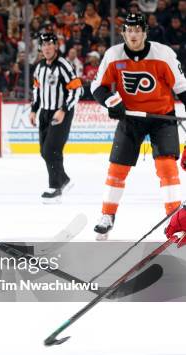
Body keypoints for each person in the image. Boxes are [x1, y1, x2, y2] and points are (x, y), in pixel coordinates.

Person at [90, 13, 186, 240]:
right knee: (117, 169)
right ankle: (107, 215)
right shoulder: (113, 55)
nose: (133, 35)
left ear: (145, 32)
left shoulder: (164, 54)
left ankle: (174, 217)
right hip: (130, 119)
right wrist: (111, 101)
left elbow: (182, 88)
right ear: (124, 33)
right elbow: (97, 86)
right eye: (129, 30)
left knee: (167, 168)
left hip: (162, 118)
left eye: (137, 30)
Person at [29, 31, 82, 204]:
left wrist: (63, 109)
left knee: (50, 150)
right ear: (40, 48)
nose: (47, 48)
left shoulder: (63, 65)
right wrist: (33, 110)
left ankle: (55, 188)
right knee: (44, 151)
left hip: (61, 112)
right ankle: (64, 180)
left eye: (50, 44)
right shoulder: (39, 67)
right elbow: (37, 90)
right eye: (44, 45)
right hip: (45, 112)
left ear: (56, 46)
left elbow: (76, 89)